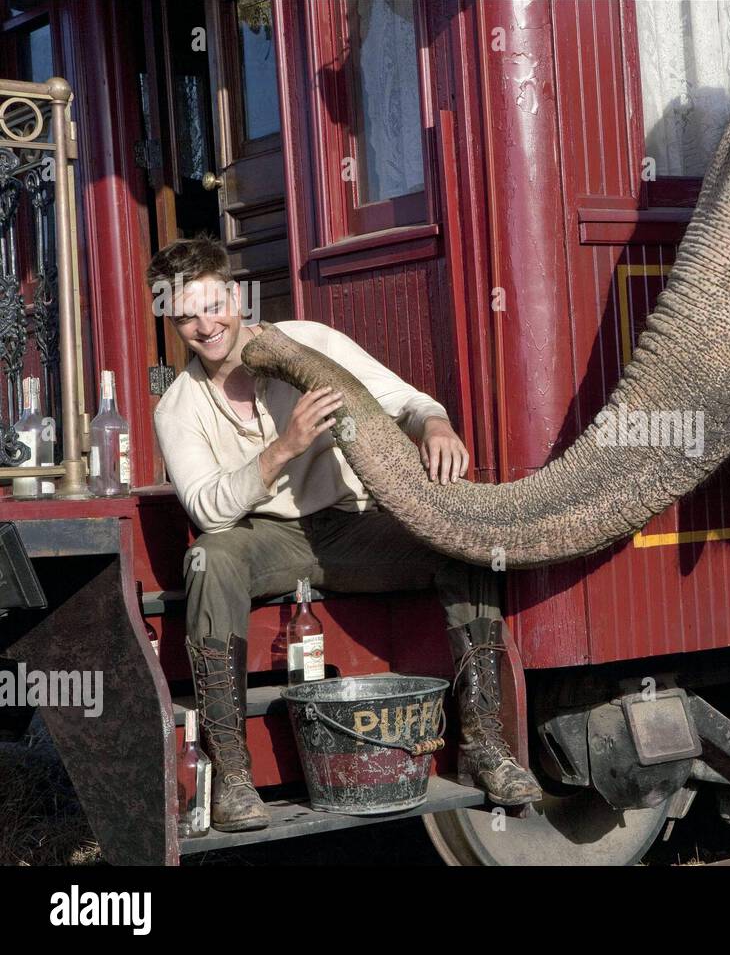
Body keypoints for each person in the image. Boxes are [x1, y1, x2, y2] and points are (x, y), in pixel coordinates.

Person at [148, 236, 541, 831]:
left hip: (350, 527)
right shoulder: (178, 406)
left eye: (211, 307)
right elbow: (208, 508)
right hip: (266, 537)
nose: (205, 327)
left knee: (459, 541)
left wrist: (435, 424)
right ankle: (232, 778)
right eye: (185, 318)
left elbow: (403, 400)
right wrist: (283, 449)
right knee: (209, 558)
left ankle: (485, 746)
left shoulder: (310, 343)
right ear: (173, 323)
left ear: (234, 296)